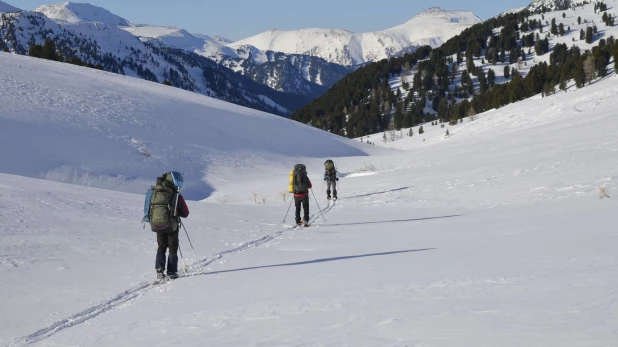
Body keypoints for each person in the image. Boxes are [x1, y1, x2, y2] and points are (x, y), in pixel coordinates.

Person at [147, 171, 189, 279]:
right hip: (171, 225)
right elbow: (185, 213)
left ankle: (159, 269)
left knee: (161, 246)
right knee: (172, 248)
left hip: (157, 224)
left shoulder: (155, 191)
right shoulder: (176, 194)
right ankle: (172, 272)